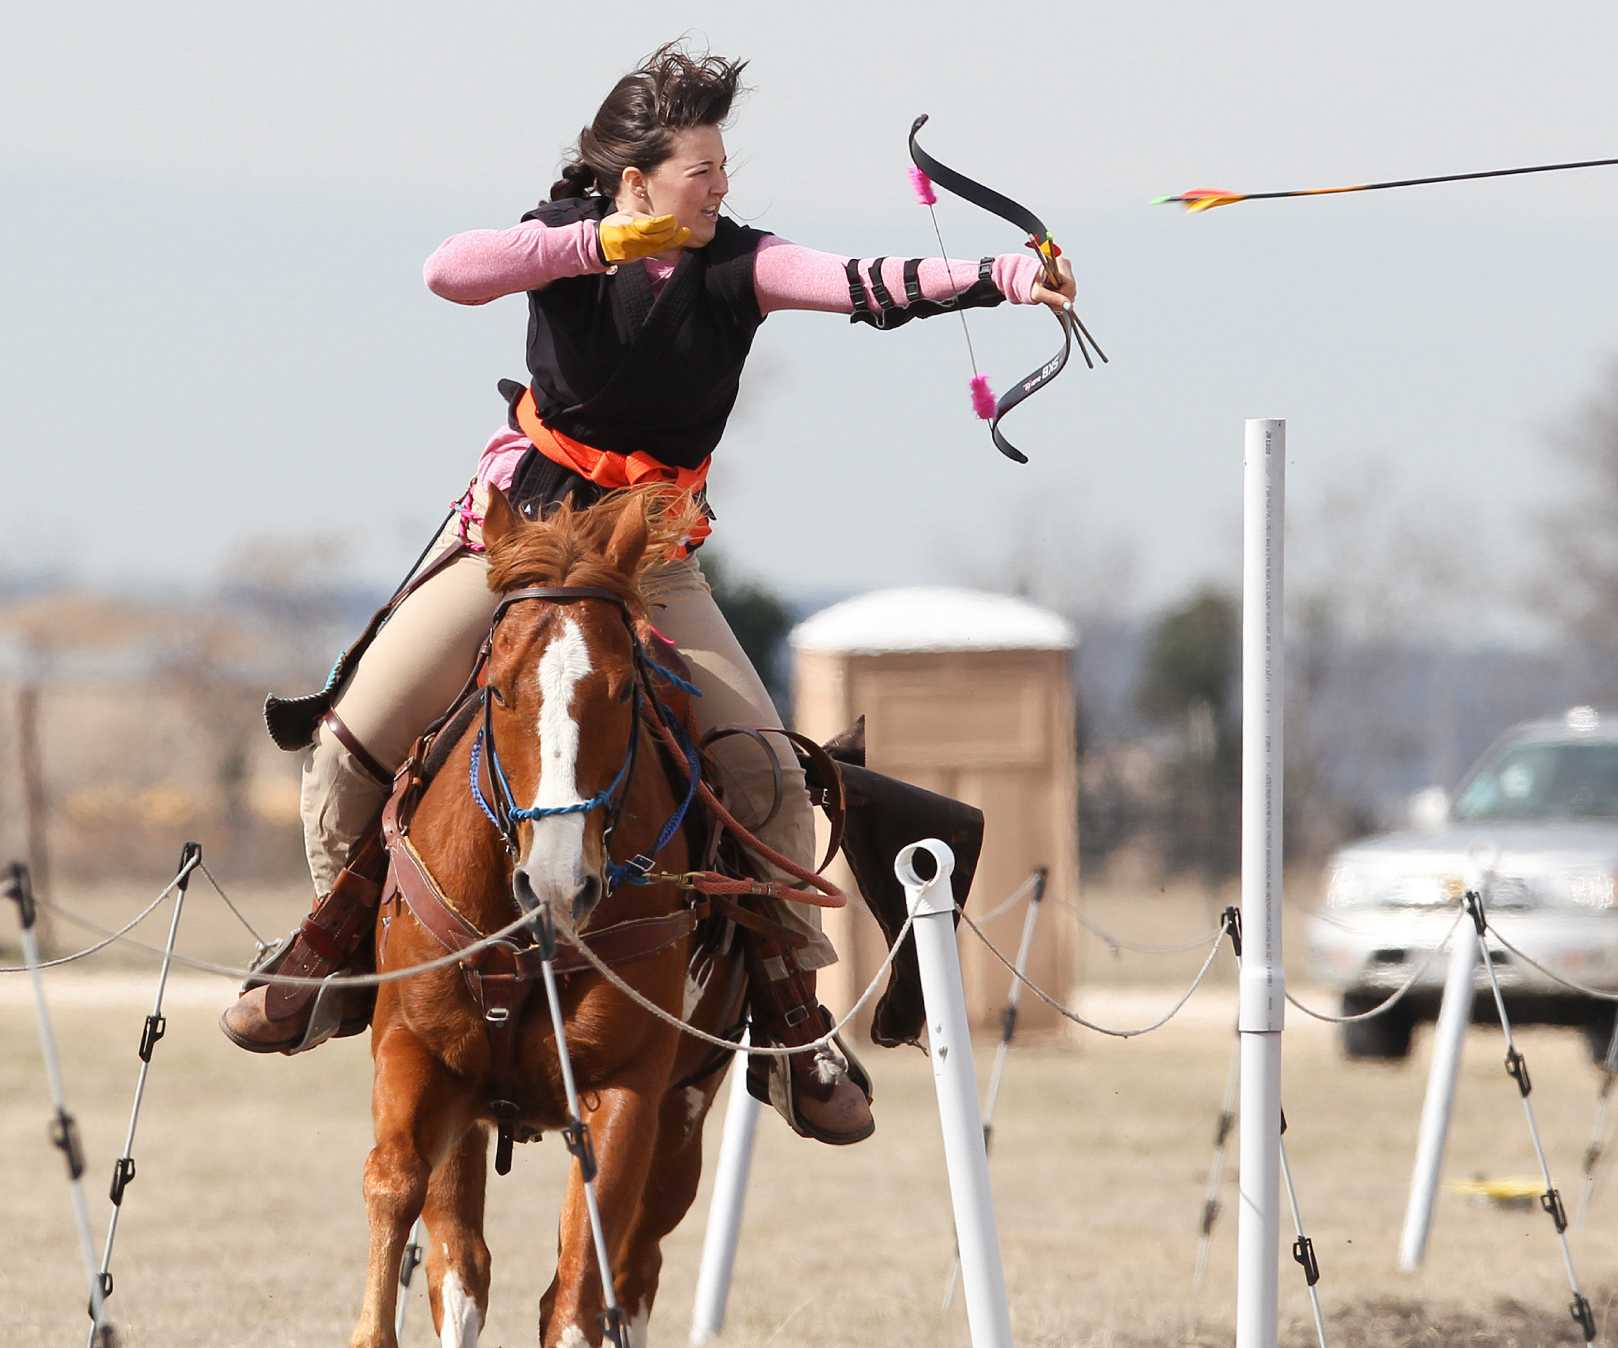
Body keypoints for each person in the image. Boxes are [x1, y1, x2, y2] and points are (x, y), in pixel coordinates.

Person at [219, 40, 1078, 1147]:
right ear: (636, 181)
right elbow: (447, 270)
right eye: (699, 171)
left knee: (768, 775)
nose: (719, 187)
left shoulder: (739, 262)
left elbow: (861, 283)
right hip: (518, 535)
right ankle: (341, 957)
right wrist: (593, 245)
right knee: (346, 745)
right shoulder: (561, 240)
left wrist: (1004, 276)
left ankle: (791, 1020)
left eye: (722, 168)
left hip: (651, 551)